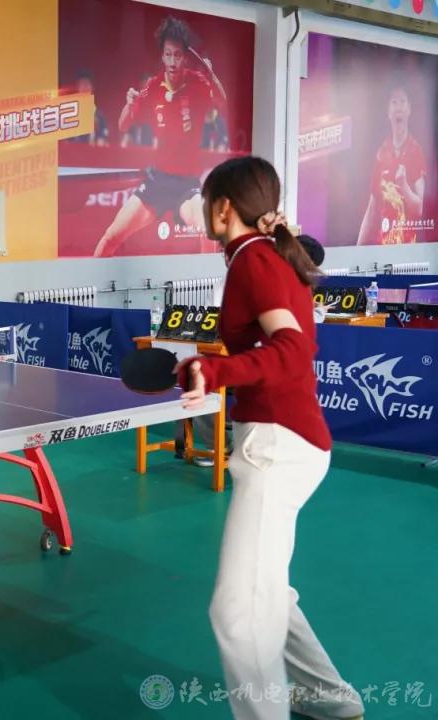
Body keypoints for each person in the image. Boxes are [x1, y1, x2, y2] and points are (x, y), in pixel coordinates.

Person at [174, 157, 364, 720]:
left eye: (205, 202)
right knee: (269, 592)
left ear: (222, 208)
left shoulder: (254, 259)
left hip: (278, 446)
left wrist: (216, 371)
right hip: (290, 439)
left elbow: (294, 350)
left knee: (237, 614)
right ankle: (330, 699)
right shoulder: (263, 254)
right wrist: (214, 371)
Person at [93, 16, 227, 257]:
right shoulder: (153, 87)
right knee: (110, 236)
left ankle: (206, 282)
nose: (172, 61)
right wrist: (129, 105)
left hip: (187, 186)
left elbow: (222, 101)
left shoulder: (198, 82)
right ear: (162, 56)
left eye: (178, 55)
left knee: (208, 231)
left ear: (185, 57)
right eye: (168, 55)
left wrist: (211, 75)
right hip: (157, 182)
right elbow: (123, 125)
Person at [356, 85, 427, 246]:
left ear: (409, 109)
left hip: (409, 249)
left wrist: (404, 186)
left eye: (402, 101)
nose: (398, 107)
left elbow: (419, 208)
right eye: (394, 102)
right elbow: (372, 209)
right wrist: (356, 250)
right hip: (384, 248)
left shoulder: (415, 151)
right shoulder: (381, 153)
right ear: (388, 112)